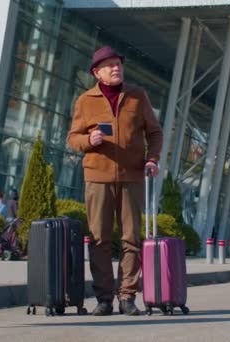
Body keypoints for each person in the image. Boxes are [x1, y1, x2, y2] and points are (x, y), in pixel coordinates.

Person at [67, 46, 163, 316]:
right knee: (100, 240)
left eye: (118, 64)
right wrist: (89, 140)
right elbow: (72, 138)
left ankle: (128, 297)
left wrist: (152, 159)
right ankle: (104, 299)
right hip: (97, 178)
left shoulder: (137, 96)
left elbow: (155, 132)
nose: (116, 68)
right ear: (97, 72)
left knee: (131, 238)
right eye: (109, 65)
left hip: (132, 176)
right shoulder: (85, 100)